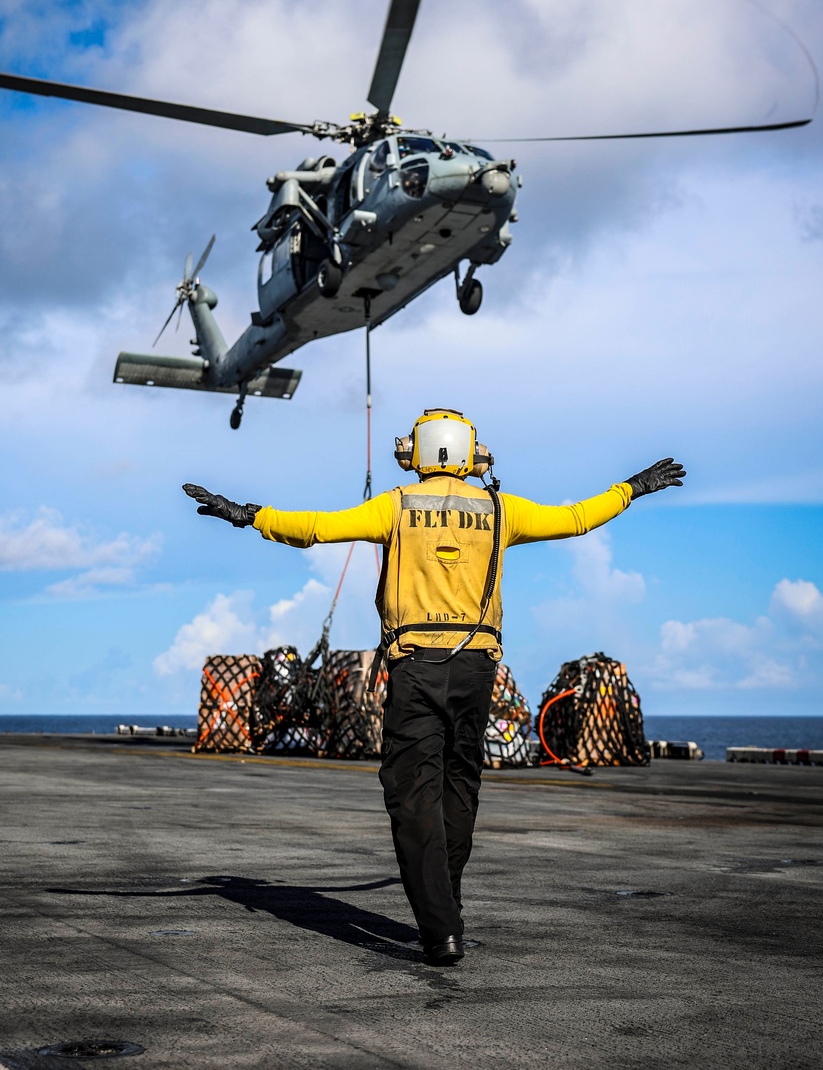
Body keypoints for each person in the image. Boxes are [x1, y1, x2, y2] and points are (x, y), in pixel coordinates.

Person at [183, 408, 684, 966]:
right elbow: (574, 518)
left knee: (411, 792)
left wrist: (252, 515)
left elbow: (317, 528)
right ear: (470, 453)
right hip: (477, 667)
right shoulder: (499, 507)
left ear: (417, 453)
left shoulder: (396, 505)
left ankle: (441, 929)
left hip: (415, 665)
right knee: (459, 784)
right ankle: (446, 906)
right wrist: (631, 489)